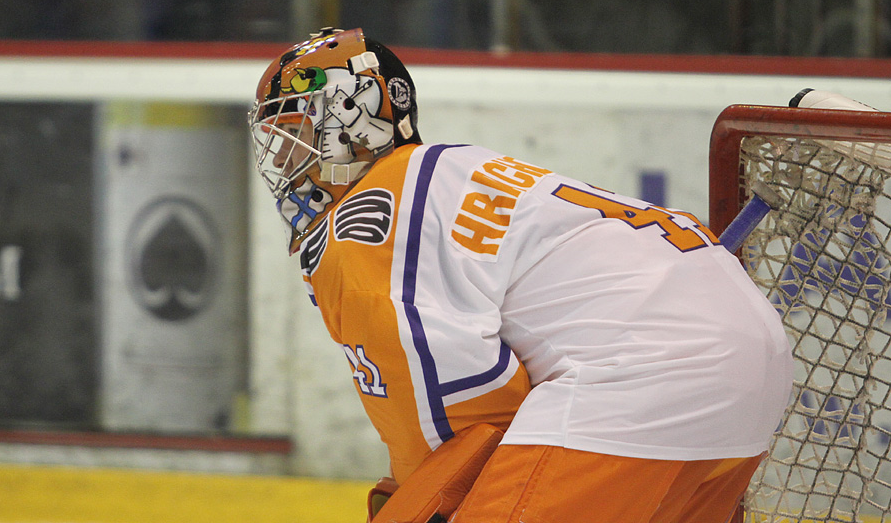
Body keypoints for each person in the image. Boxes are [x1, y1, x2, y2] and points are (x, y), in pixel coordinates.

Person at [246, 27, 793, 523]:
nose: (286, 166)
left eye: (294, 138)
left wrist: (418, 497)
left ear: (356, 122)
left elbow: (466, 406)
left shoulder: (364, 219)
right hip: (753, 371)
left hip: (643, 376)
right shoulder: (456, 171)